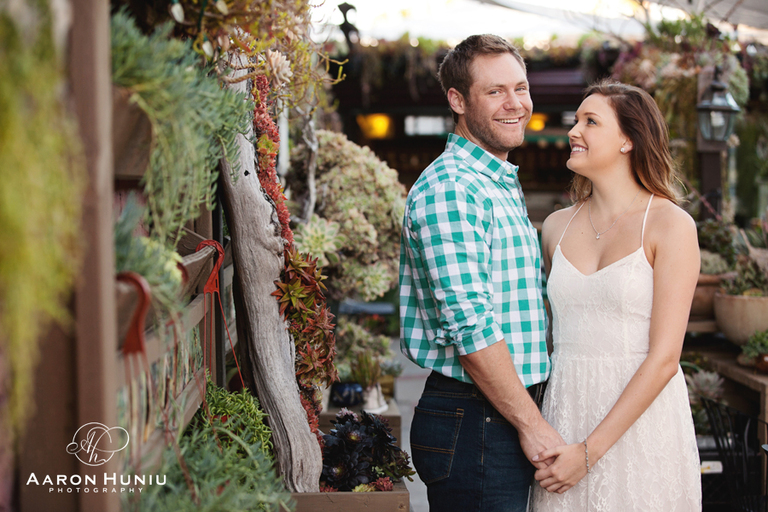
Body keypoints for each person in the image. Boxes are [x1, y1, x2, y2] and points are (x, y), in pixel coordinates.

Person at [399, 34, 563, 512]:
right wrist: (532, 424)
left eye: (521, 88)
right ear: (458, 101)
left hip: (497, 413)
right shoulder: (454, 188)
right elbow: (470, 327)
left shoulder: (492, 180)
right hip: (479, 420)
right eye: (495, 92)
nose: (515, 104)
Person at [529, 79, 702, 511]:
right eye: (575, 120)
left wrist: (589, 453)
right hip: (566, 412)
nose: (573, 131)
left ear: (628, 139)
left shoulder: (670, 225)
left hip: (642, 426)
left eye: (591, 121)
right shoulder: (555, 227)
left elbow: (665, 358)